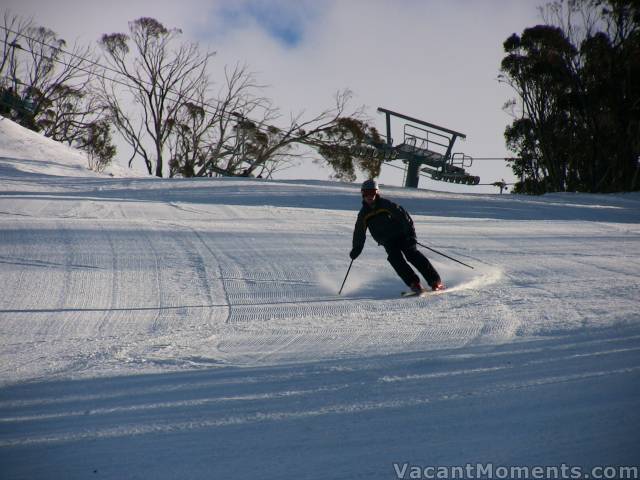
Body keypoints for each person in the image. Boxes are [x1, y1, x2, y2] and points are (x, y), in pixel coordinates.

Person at [349, 179, 445, 293]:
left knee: (412, 254)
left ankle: (435, 281)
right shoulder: (363, 214)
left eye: (372, 193)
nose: (370, 196)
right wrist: (357, 248)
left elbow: (404, 218)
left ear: (376, 193)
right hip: (387, 240)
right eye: (367, 194)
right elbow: (359, 232)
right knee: (395, 259)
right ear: (363, 195)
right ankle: (414, 283)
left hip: (402, 235)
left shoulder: (386, 205)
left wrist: (410, 234)